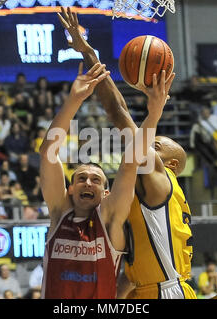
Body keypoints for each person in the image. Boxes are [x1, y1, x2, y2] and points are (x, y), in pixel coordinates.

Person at [58, 7, 195, 299]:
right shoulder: (145, 191)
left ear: (170, 163)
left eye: (156, 145)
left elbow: (118, 112)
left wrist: (89, 52)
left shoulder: (159, 177)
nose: (150, 144)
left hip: (166, 292)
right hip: (149, 289)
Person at [40, 59, 161, 298]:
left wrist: (154, 113)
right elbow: (48, 152)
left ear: (106, 194)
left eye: (96, 180)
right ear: (70, 190)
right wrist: (74, 99)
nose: (87, 182)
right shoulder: (59, 213)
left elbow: (130, 164)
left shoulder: (109, 219)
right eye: (81, 178)